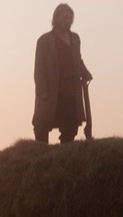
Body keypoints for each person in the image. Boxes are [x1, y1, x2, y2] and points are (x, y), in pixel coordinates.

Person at [32, 4, 93, 143]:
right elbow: (39, 68)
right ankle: (41, 158)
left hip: (71, 89)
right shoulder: (44, 41)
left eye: (71, 18)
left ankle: (66, 157)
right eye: (65, 18)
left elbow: (77, 59)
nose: (68, 21)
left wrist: (85, 72)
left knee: (70, 127)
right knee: (42, 124)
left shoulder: (75, 39)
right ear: (56, 19)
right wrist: (42, 90)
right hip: (52, 90)